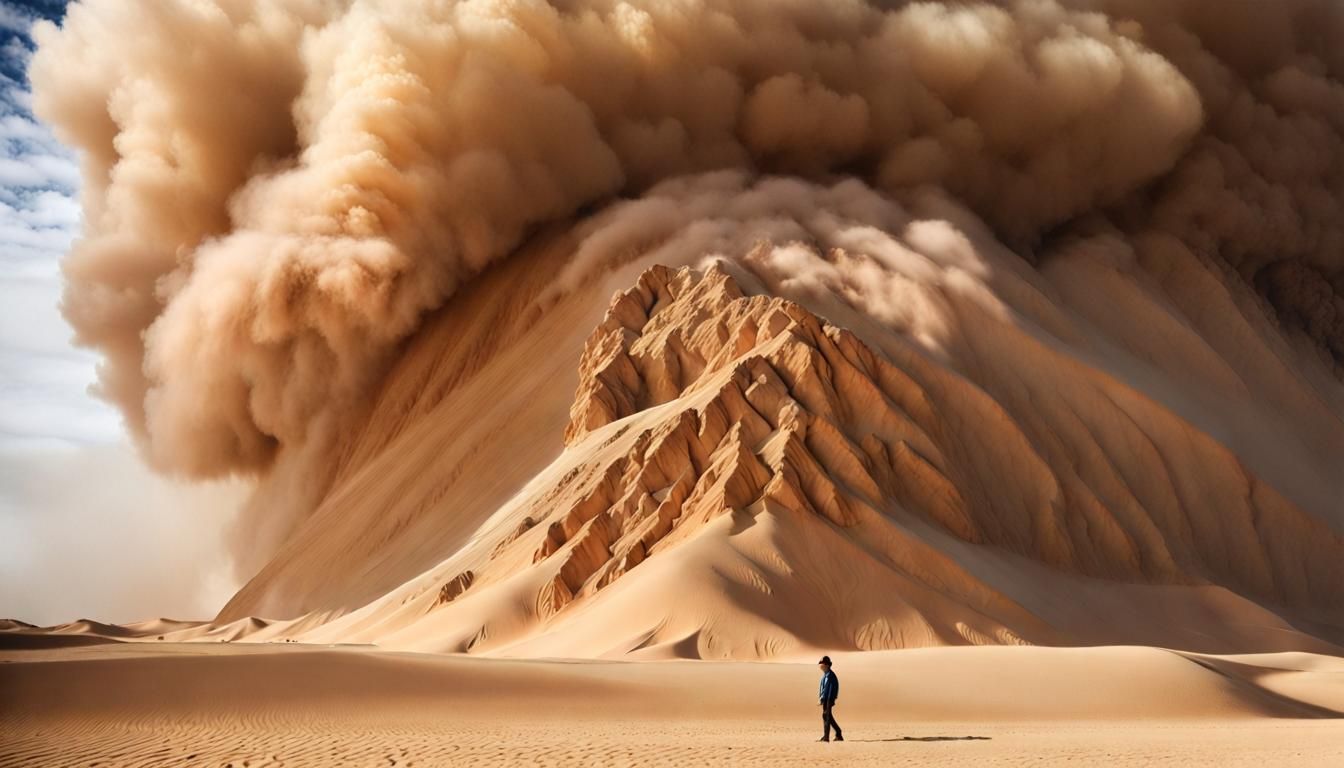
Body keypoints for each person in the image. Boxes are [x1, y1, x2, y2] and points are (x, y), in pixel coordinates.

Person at [817, 655, 843, 742]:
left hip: (829, 699)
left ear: (827, 665)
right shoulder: (825, 676)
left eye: (822, 664)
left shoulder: (831, 676)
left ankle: (826, 737)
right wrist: (821, 698)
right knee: (826, 716)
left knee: (826, 716)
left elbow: (832, 689)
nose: (820, 666)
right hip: (825, 699)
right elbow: (823, 689)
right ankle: (838, 733)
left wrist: (829, 700)